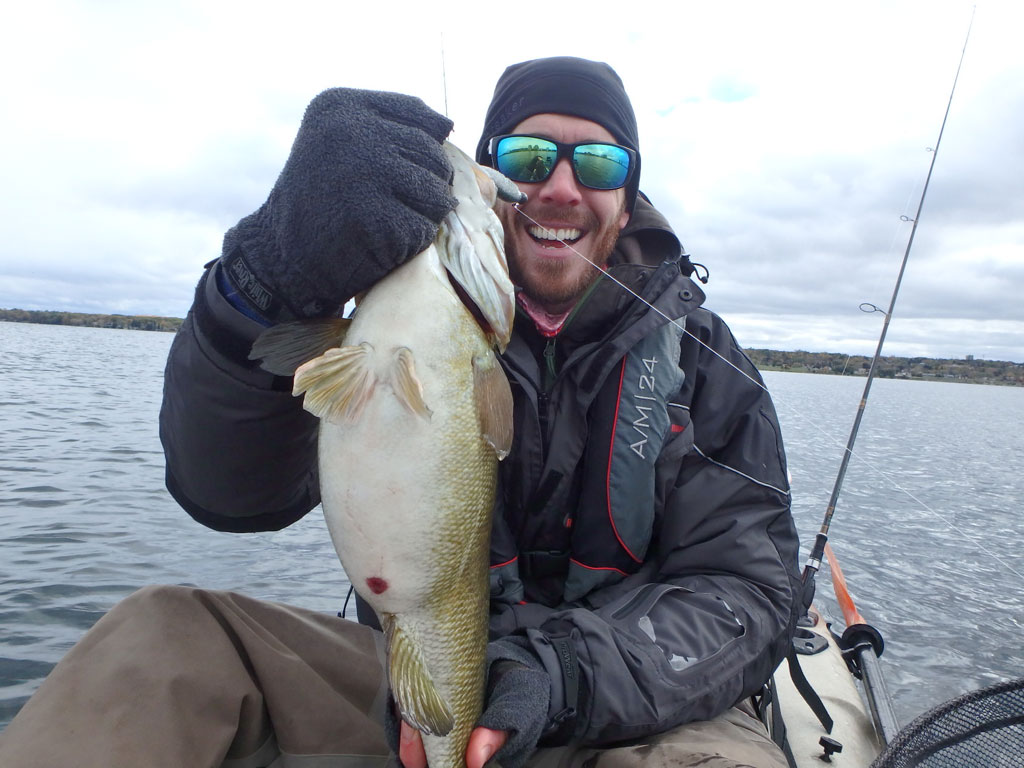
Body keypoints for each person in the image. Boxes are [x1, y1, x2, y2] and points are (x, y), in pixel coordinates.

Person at [0, 57, 800, 768]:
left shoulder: (707, 360)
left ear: (626, 198)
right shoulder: (387, 306)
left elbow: (747, 593)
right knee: (162, 638)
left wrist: (559, 678)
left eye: (597, 160)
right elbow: (225, 492)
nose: (560, 185)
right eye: (527, 156)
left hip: (634, 709)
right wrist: (267, 278)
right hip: (407, 687)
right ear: (489, 185)